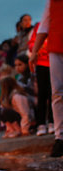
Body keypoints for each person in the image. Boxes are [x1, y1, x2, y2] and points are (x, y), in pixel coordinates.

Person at [30, 0, 63, 157]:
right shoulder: (52, 2)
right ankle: (60, 137)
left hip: (55, 48)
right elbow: (44, 25)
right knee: (57, 92)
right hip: (56, 48)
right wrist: (35, 51)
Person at [28, 21, 54, 136]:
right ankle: (41, 124)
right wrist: (40, 48)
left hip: (55, 62)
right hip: (42, 63)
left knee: (54, 93)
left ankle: (53, 122)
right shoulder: (40, 25)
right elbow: (32, 44)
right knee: (42, 94)